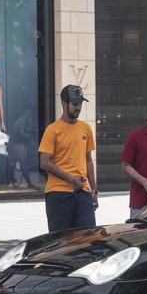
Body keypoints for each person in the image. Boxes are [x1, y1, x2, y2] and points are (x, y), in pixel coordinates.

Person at [39, 85, 98, 232]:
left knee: (88, 238)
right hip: (58, 193)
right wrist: (71, 179)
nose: (78, 107)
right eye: (75, 103)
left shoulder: (86, 128)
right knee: (60, 243)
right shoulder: (52, 130)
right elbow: (44, 163)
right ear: (64, 104)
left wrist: (94, 190)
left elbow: (88, 160)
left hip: (83, 192)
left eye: (80, 103)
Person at [8, 109, 39, 190]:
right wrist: (29, 138)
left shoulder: (28, 120)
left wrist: (30, 124)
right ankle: (29, 183)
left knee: (25, 161)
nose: (29, 115)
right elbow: (22, 132)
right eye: (28, 114)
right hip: (16, 143)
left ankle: (28, 182)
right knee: (23, 163)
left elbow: (28, 131)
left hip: (20, 144)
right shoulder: (22, 119)